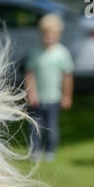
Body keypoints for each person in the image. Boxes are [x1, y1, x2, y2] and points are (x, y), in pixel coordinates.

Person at [25, 14, 74, 161]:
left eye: (53, 33)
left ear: (58, 35)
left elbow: (67, 76)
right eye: (45, 33)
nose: (49, 36)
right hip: (38, 98)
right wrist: (31, 93)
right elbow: (30, 74)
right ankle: (35, 151)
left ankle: (50, 151)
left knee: (52, 127)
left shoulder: (62, 53)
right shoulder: (35, 53)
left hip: (54, 98)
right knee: (35, 127)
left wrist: (67, 96)